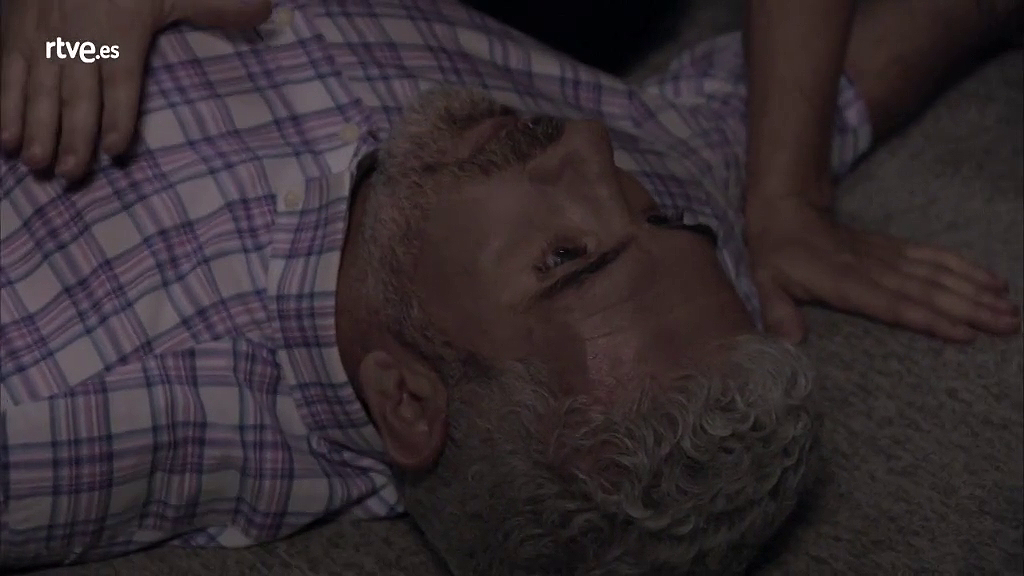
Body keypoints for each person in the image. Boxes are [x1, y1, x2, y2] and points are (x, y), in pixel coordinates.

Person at [0, 0, 1020, 573]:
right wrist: (788, 190)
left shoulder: (63, 406)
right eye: (659, 221)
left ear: (407, 399)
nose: (590, 149)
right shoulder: (672, 240)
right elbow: (856, 72)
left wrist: (77, 30)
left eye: (564, 259)